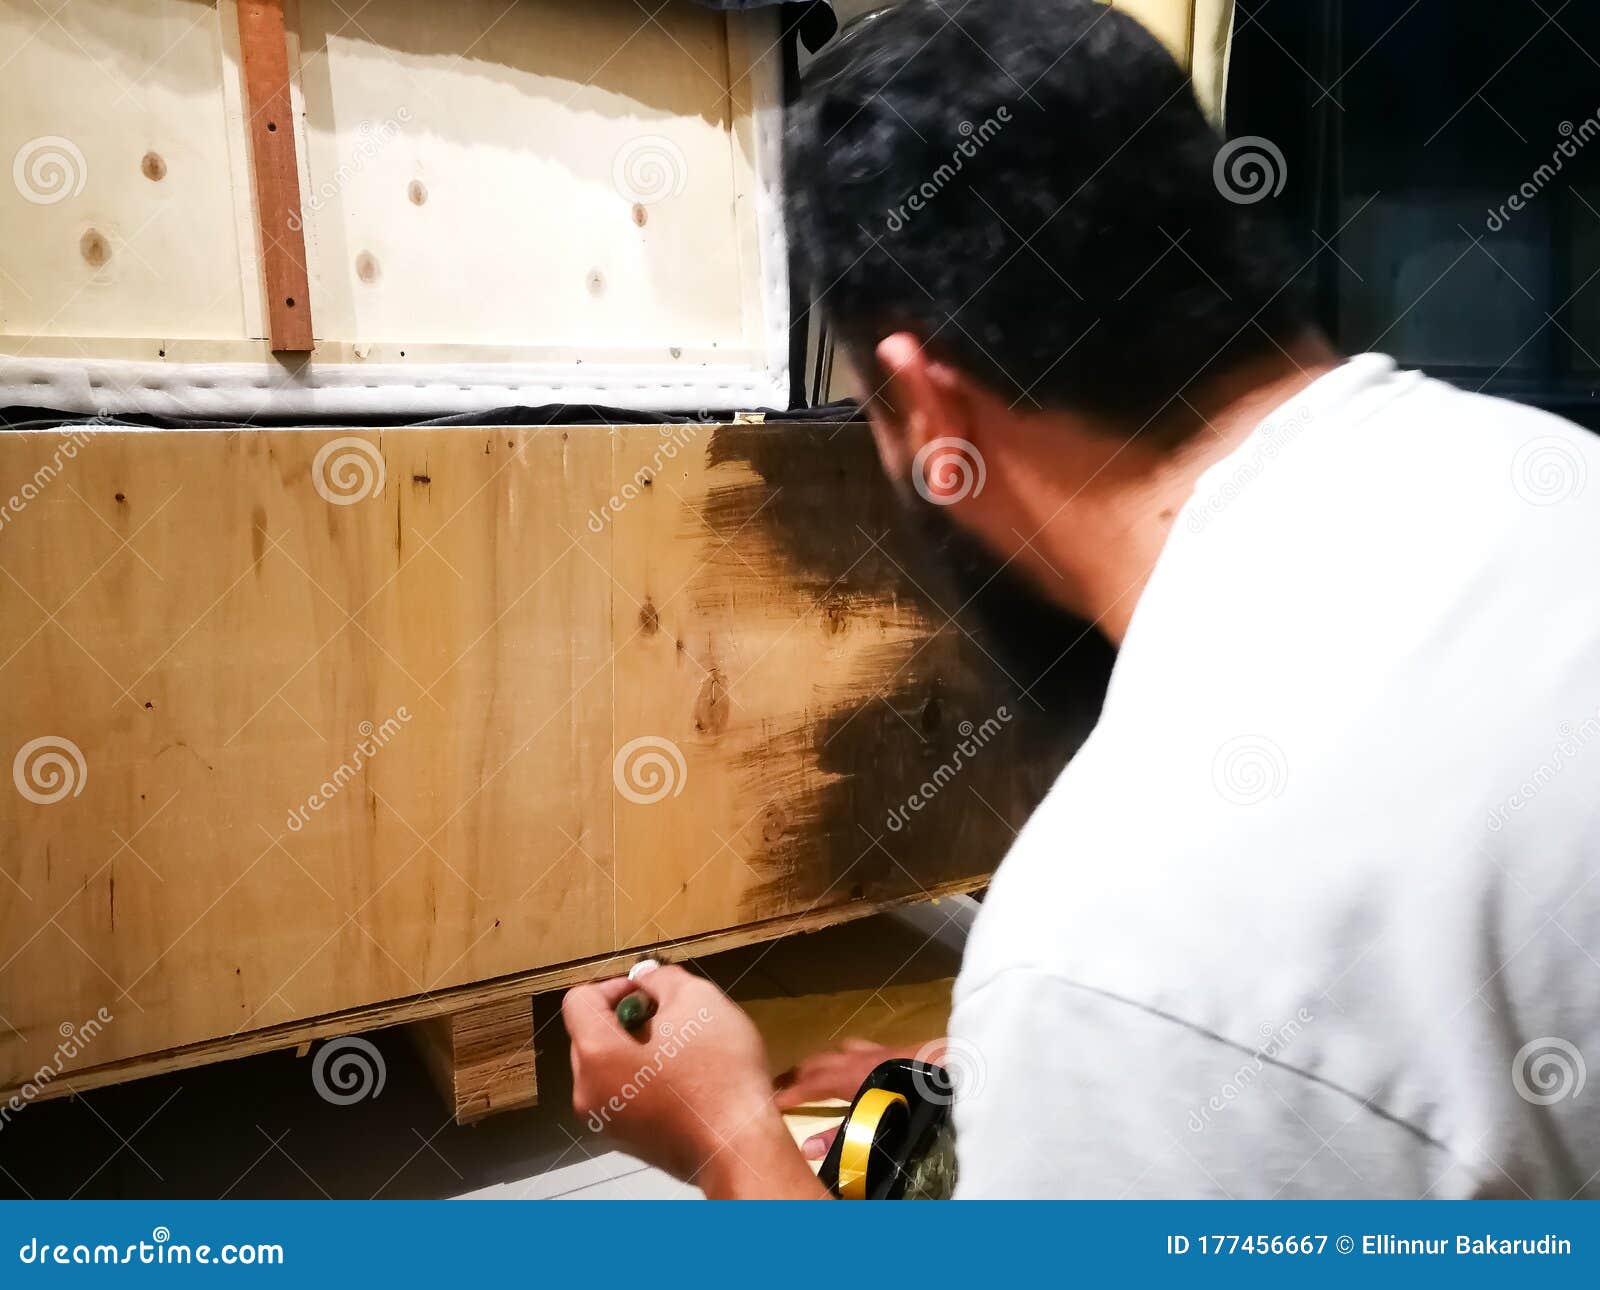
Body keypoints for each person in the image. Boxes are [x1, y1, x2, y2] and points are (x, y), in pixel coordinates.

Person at [562, 0, 1600, 1198]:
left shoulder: (1119, 946)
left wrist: (725, 1136)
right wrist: (1053, 1084)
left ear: (928, 408)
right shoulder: (1543, 469)